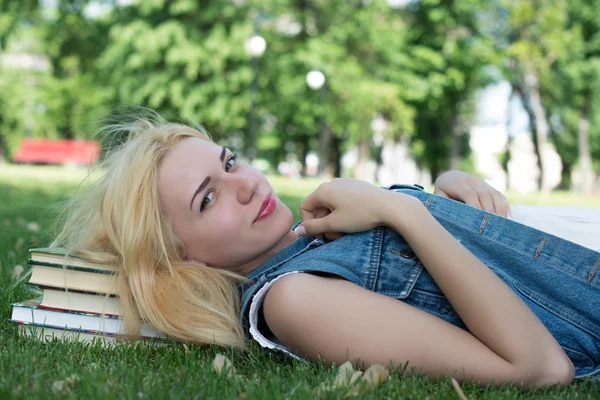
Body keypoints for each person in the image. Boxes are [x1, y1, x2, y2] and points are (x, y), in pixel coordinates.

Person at [51, 113, 600, 389]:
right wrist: (402, 211)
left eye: (228, 160)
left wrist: (448, 194)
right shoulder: (294, 302)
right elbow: (536, 366)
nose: (243, 183)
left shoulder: (315, 233)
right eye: (208, 198)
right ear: (185, 259)